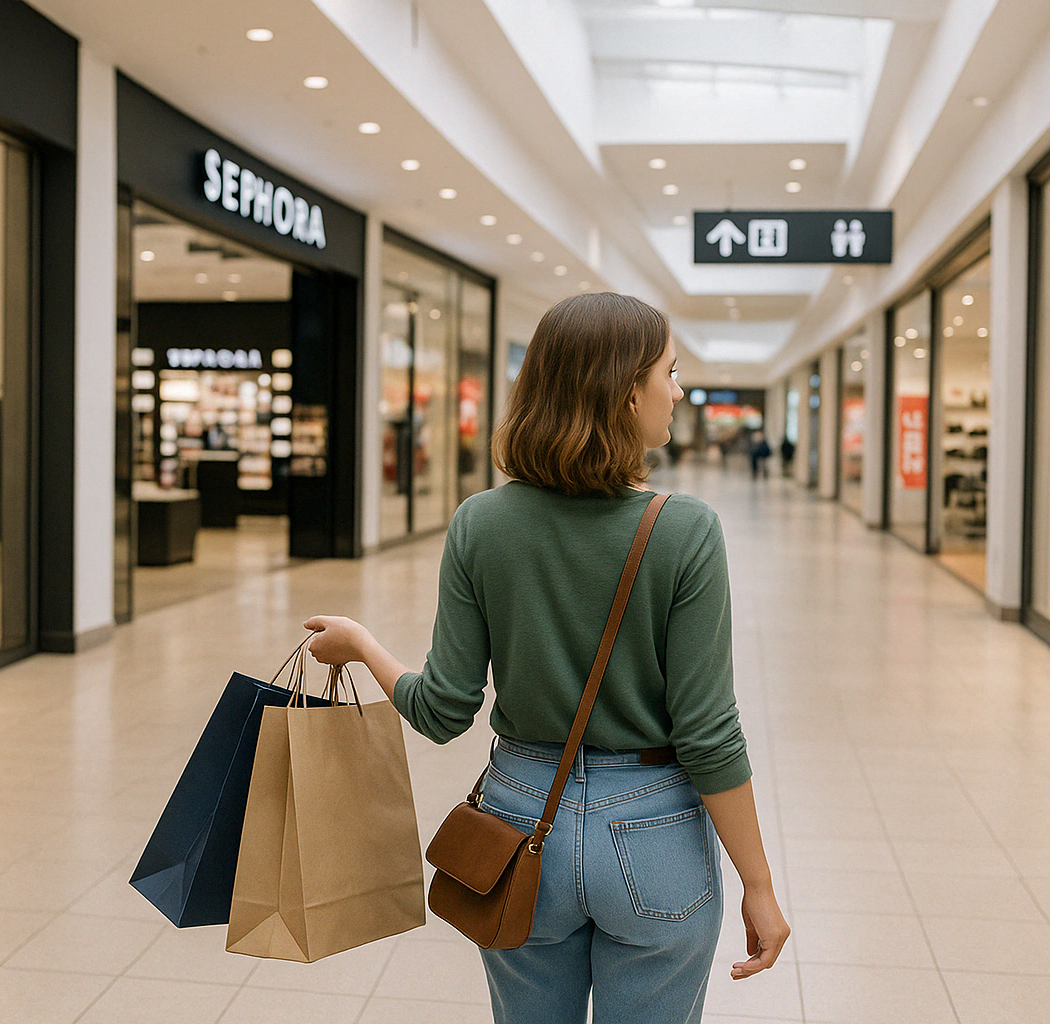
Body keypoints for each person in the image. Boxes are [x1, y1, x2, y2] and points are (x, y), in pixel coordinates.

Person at [304, 292, 788, 1024]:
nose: (678, 390)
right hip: (654, 835)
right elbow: (707, 732)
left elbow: (441, 711)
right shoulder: (685, 532)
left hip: (520, 822)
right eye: (671, 372)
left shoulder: (483, 522)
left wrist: (364, 644)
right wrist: (758, 883)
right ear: (628, 391)